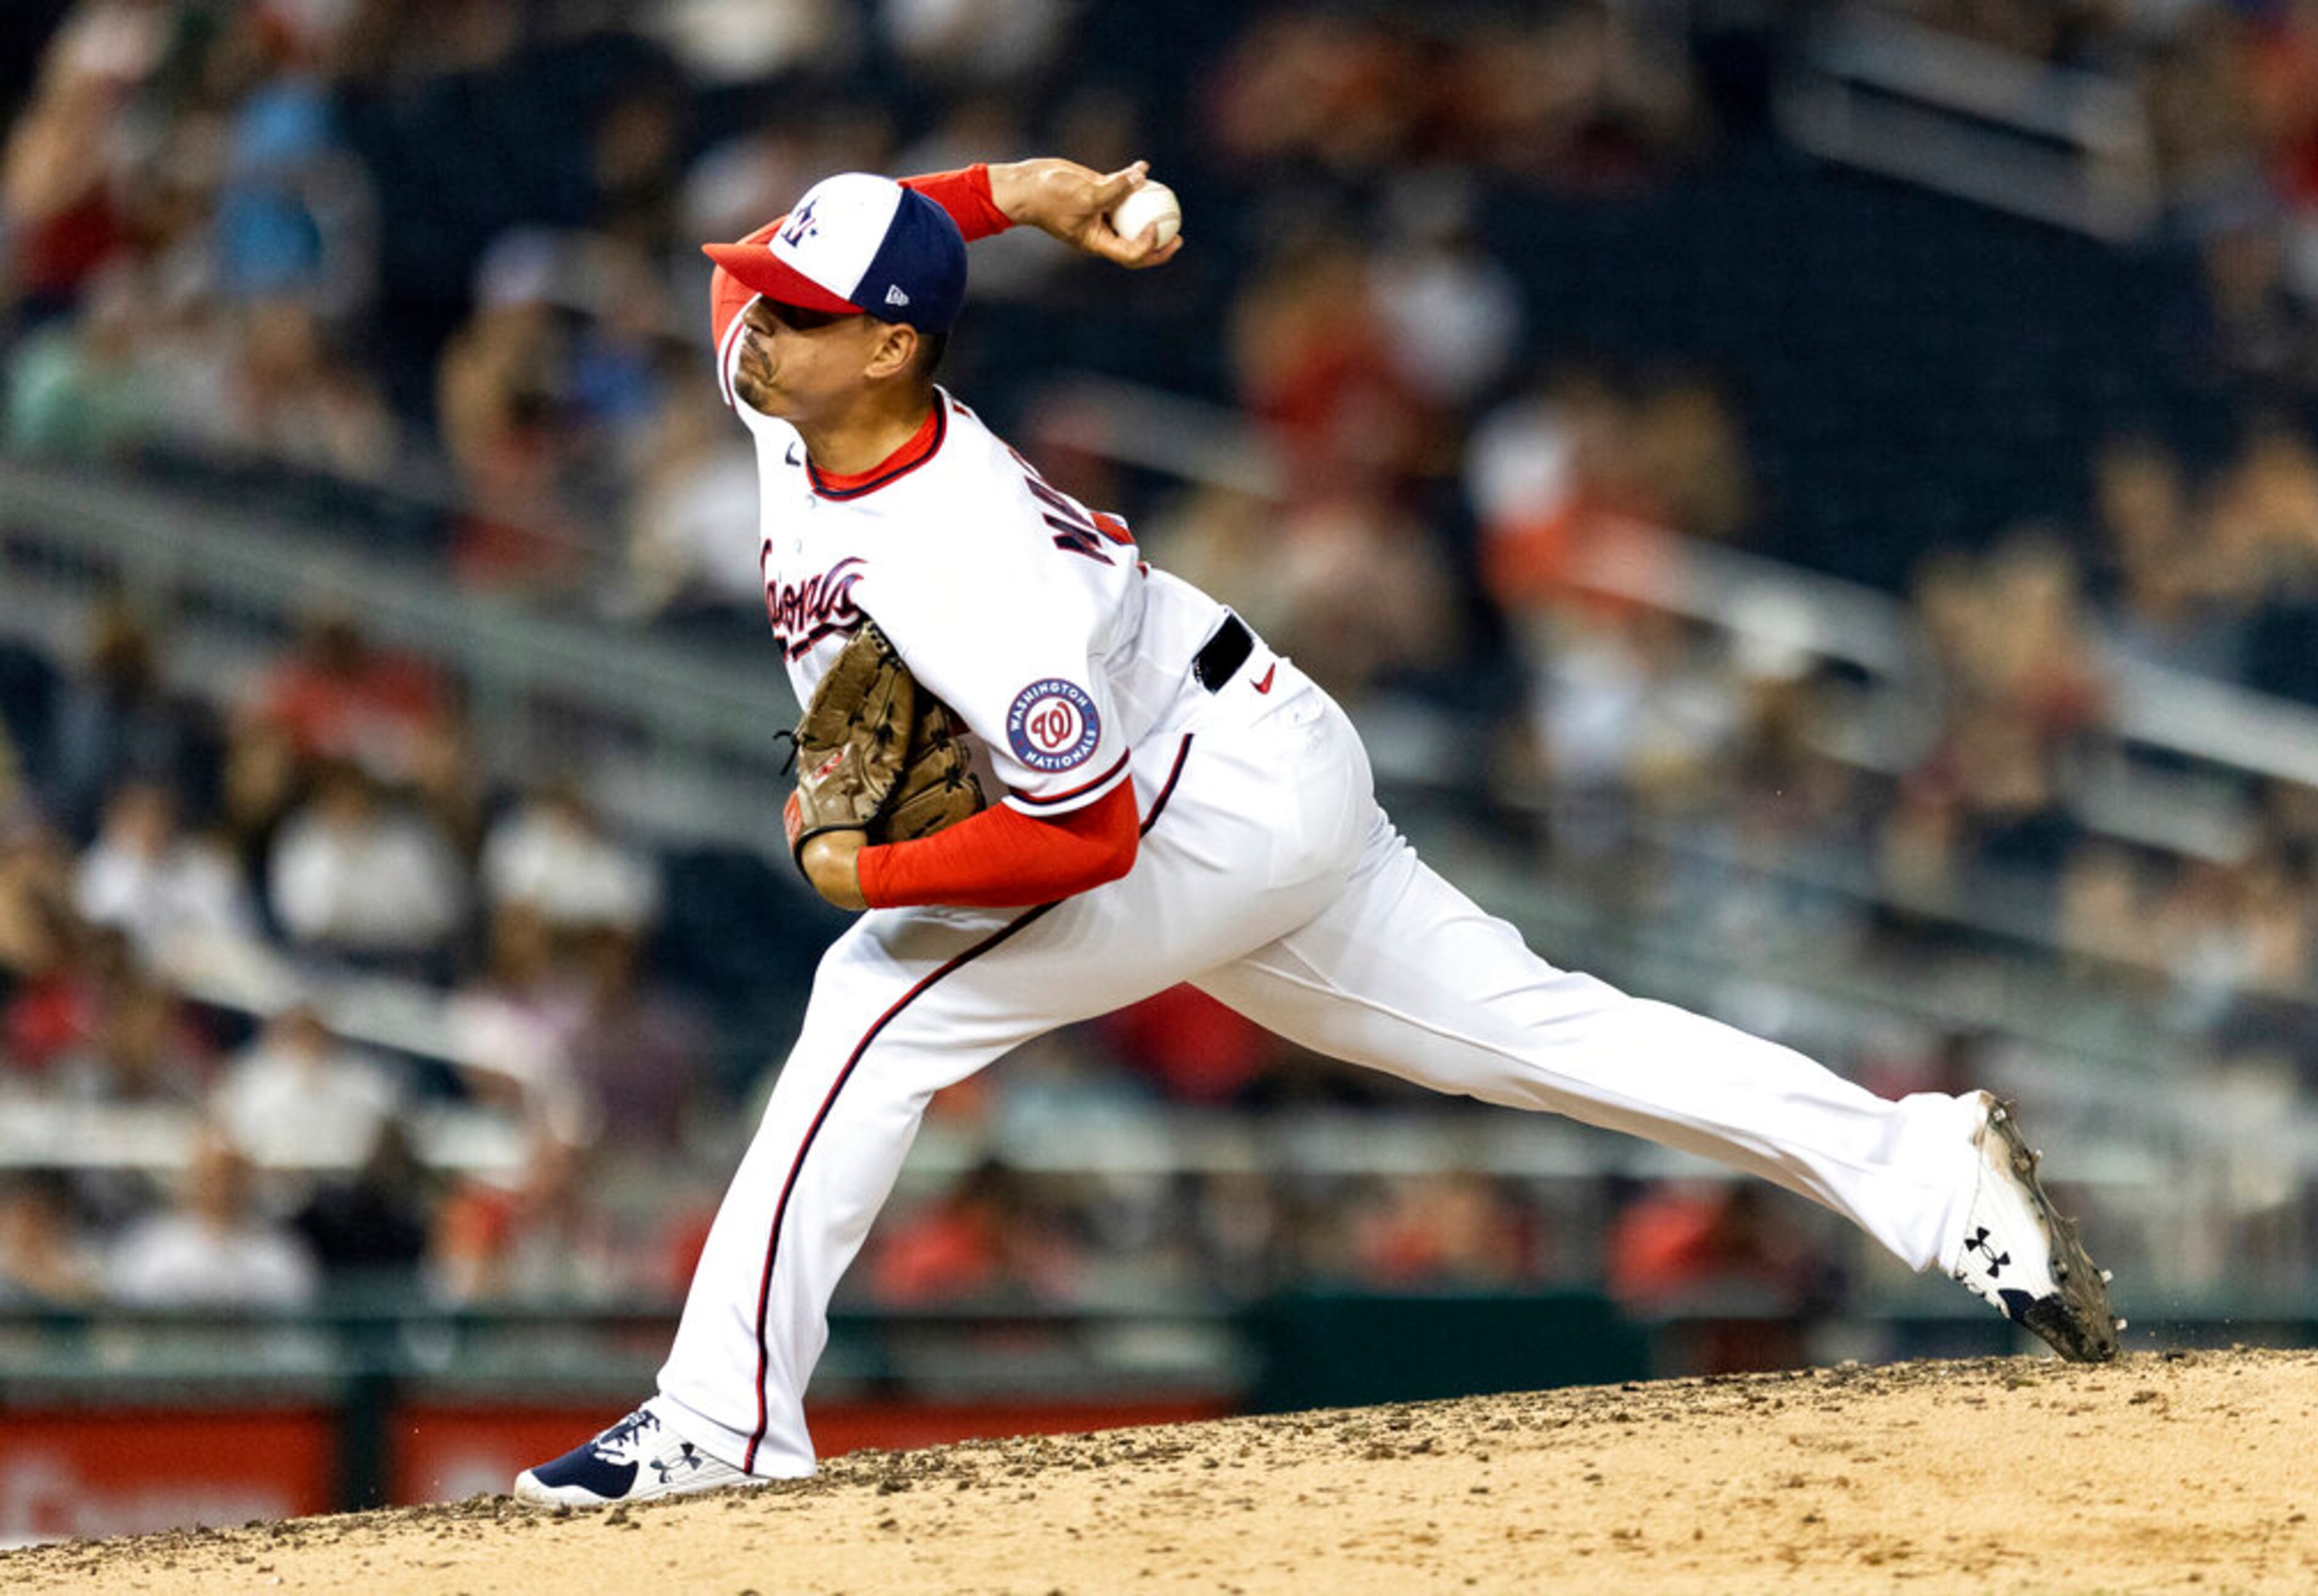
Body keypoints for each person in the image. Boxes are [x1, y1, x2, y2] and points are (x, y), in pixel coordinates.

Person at [514, 158, 2120, 1507]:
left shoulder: (961, 556)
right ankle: (1922, 1168)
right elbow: (760, 292)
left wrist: (863, 869)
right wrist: (1024, 194)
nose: (753, 321)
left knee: (874, 994)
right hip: (1252, 741)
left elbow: (1081, 839)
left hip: (1187, 801)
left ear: (887, 347)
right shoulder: (787, 384)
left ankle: (721, 1421)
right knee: (1533, 1032)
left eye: (794, 309)